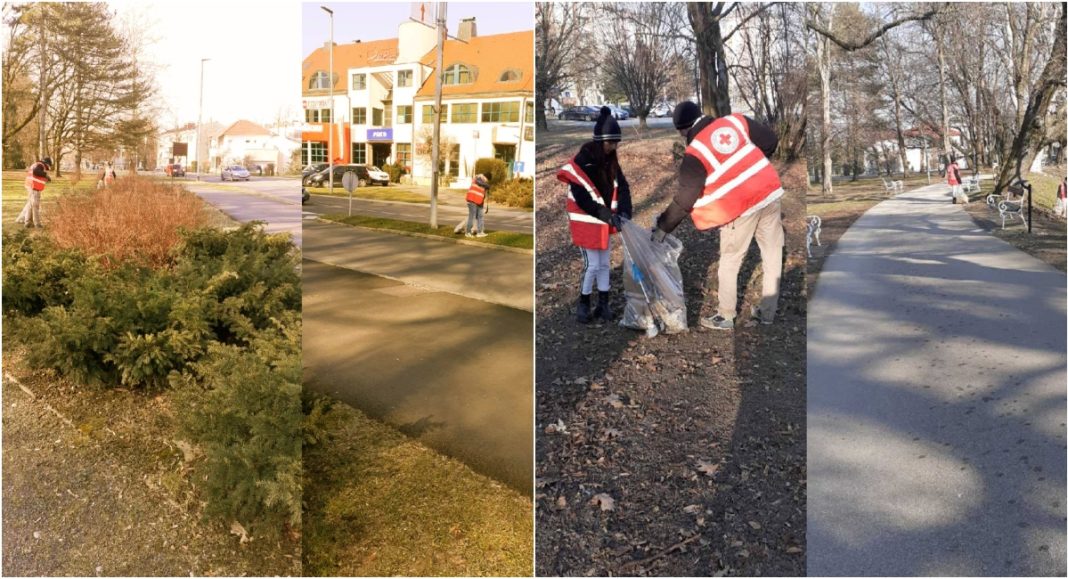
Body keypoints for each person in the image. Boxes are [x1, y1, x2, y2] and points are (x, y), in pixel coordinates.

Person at [652, 101, 784, 330]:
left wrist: (663, 227)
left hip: (739, 208)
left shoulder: (695, 153)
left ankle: (725, 316)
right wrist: (753, 169)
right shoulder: (735, 121)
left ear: (683, 129)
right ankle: (768, 313)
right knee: (772, 254)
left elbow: (685, 199)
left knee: (730, 260)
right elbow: (771, 140)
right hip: (770, 193)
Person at [557, 106, 633, 324]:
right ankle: (583, 303)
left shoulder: (611, 161)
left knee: (605, 263)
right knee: (592, 264)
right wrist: (606, 215)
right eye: (611, 143)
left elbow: (623, 187)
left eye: (616, 143)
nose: (614, 147)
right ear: (600, 141)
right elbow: (583, 198)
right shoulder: (583, 161)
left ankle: (603, 304)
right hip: (587, 219)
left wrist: (625, 211)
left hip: (604, 219)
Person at [16, 156, 52, 228]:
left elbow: (37, 175)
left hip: (30, 186)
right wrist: (46, 175)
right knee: (35, 205)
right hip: (34, 188)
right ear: (46, 163)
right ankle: (37, 224)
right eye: (48, 165)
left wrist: (46, 178)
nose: (48, 167)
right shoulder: (40, 165)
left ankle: (28, 222)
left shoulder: (37, 164)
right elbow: (36, 171)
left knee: (30, 205)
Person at [465, 173, 490, 238]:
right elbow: (479, 182)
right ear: (485, 177)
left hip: (479, 201)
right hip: (472, 200)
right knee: (472, 217)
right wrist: (487, 185)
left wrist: (482, 204)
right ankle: (468, 232)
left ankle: (480, 232)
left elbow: (482, 195)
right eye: (487, 179)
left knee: (480, 216)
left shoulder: (484, 183)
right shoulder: (478, 178)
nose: (487, 181)